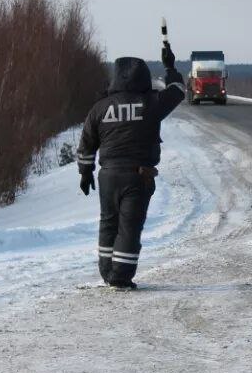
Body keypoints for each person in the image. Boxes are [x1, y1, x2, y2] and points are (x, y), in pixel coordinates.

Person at [76, 43, 185, 289]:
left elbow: (86, 143)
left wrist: (85, 172)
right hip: (138, 176)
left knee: (108, 222)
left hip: (108, 176)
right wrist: (170, 67)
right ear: (143, 76)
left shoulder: (100, 107)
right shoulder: (151, 103)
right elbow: (178, 91)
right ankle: (121, 276)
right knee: (129, 226)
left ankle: (107, 272)